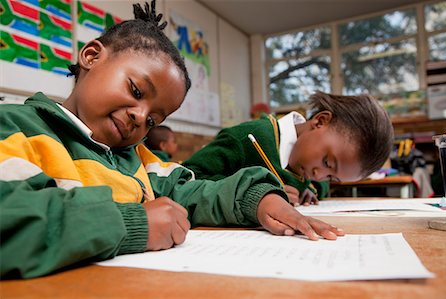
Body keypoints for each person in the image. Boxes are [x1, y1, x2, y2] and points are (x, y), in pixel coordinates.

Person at [0, 1, 344, 279]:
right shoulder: (18, 130)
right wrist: (131, 224)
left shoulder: (139, 160)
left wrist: (259, 198)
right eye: (136, 90)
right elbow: (10, 218)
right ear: (91, 56)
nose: (139, 117)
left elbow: (195, 189)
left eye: (153, 120)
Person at [183, 91, 394, 206]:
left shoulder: (309, 168)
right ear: (320, 121)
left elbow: (319, 186)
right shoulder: (247, 138)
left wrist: (310, 191)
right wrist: (255, 192)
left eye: (331, 177)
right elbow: (187, 179)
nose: (318, 175)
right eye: (327, 162)